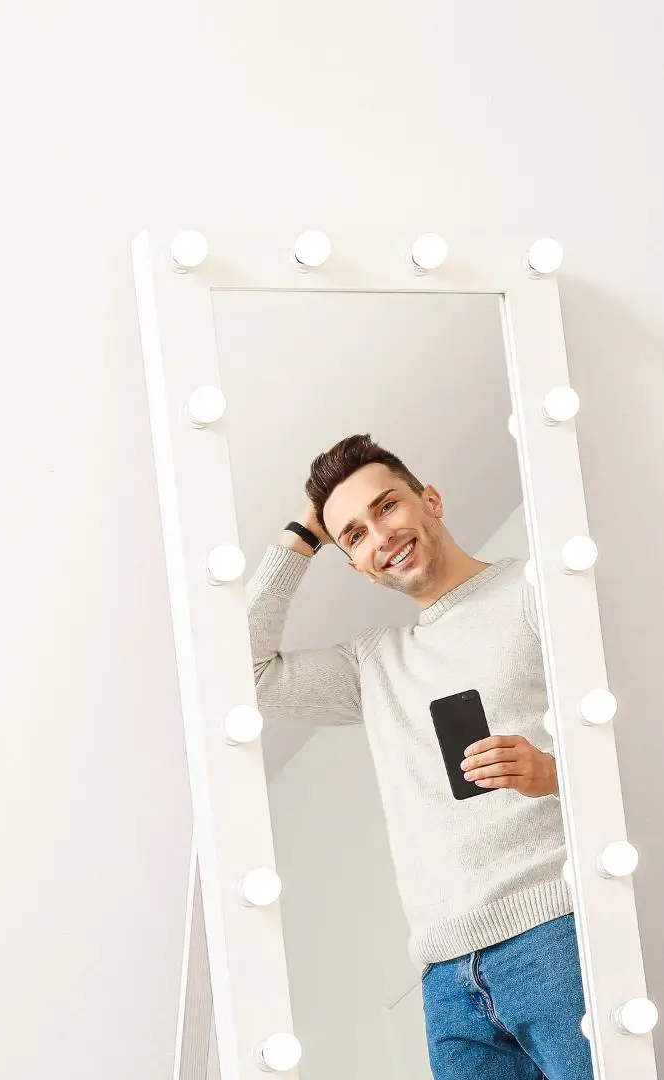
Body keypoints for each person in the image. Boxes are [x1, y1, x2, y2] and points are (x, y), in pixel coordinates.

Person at [247, 433, 590, 1080]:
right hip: (447, 983)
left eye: (387, 507)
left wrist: (553, 773)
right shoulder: (373, 664)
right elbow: (242, 674)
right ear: (354, 564)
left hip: (556, 932)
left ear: (430, 500)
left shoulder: (535, 589)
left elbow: (638, 734)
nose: (379, 536)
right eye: (353, 535)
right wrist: (300, 537)